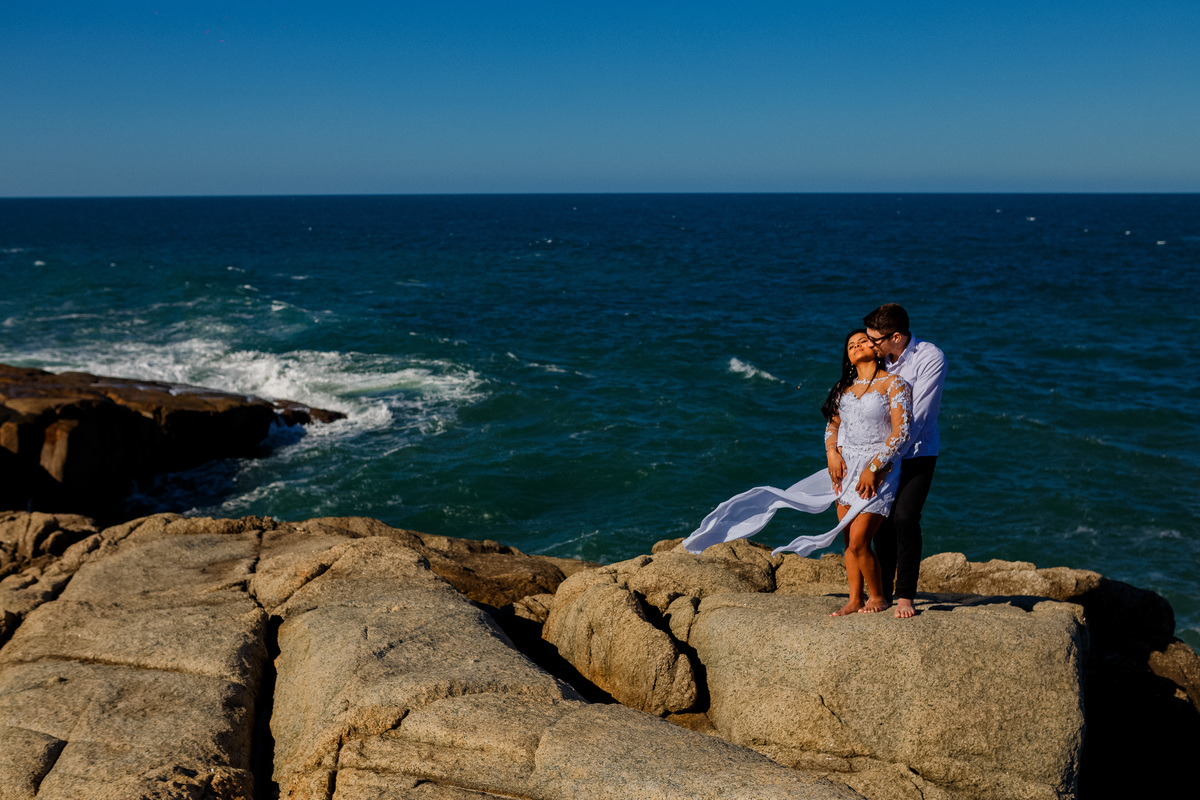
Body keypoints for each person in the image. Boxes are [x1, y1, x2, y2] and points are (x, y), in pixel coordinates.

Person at [682, 330, 912, 617]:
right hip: (845, 469)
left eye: (863, 341)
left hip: (879, 470)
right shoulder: (844, 388)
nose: (856, 346)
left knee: (859, 540)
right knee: (847, 542)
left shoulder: (895, 384)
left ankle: (878, 596)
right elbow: (833, 426)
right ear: (848, 357)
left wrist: (874, 468)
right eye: (851, 345)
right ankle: (855, 598)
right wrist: (831, 453)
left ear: (877, 349)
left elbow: (901, 432)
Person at [837, 303, 946, 619]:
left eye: (875, 339)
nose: (869, 344)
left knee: (904, 518)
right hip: (874, 457)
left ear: (896, 337)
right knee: (878, 523)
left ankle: (905, 596)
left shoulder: (929, 358)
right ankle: (878, 593)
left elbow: (918, 419)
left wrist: (880, 464)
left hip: (916, 452)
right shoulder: (877, 358)